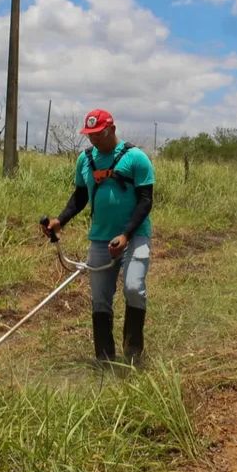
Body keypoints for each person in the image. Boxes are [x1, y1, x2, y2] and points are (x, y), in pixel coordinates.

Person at [43, 109, 155, 365]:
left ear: (111, 130)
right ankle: (104, 360)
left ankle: (133, 353)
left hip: (134, 236)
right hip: (100, 238)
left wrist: (126, 234)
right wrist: (60, 220)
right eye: (89, 135)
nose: (93, 140)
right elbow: (80, 196)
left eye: (98, 134)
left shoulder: (136, 158)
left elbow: (145, 201)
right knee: (100, 299)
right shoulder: (85, 160)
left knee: (133, 288)